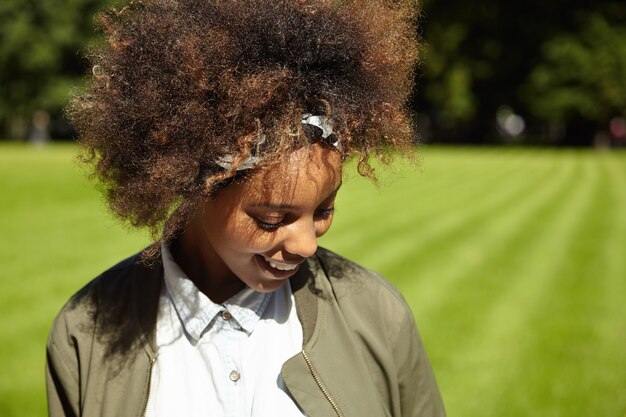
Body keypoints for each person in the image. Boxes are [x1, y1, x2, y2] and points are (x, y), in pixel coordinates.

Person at [46, 0, 445, 416]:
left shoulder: (379, 316)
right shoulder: (84, 333)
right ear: (196, 185)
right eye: (272, 219)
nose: (306, 244)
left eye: (324, 210)